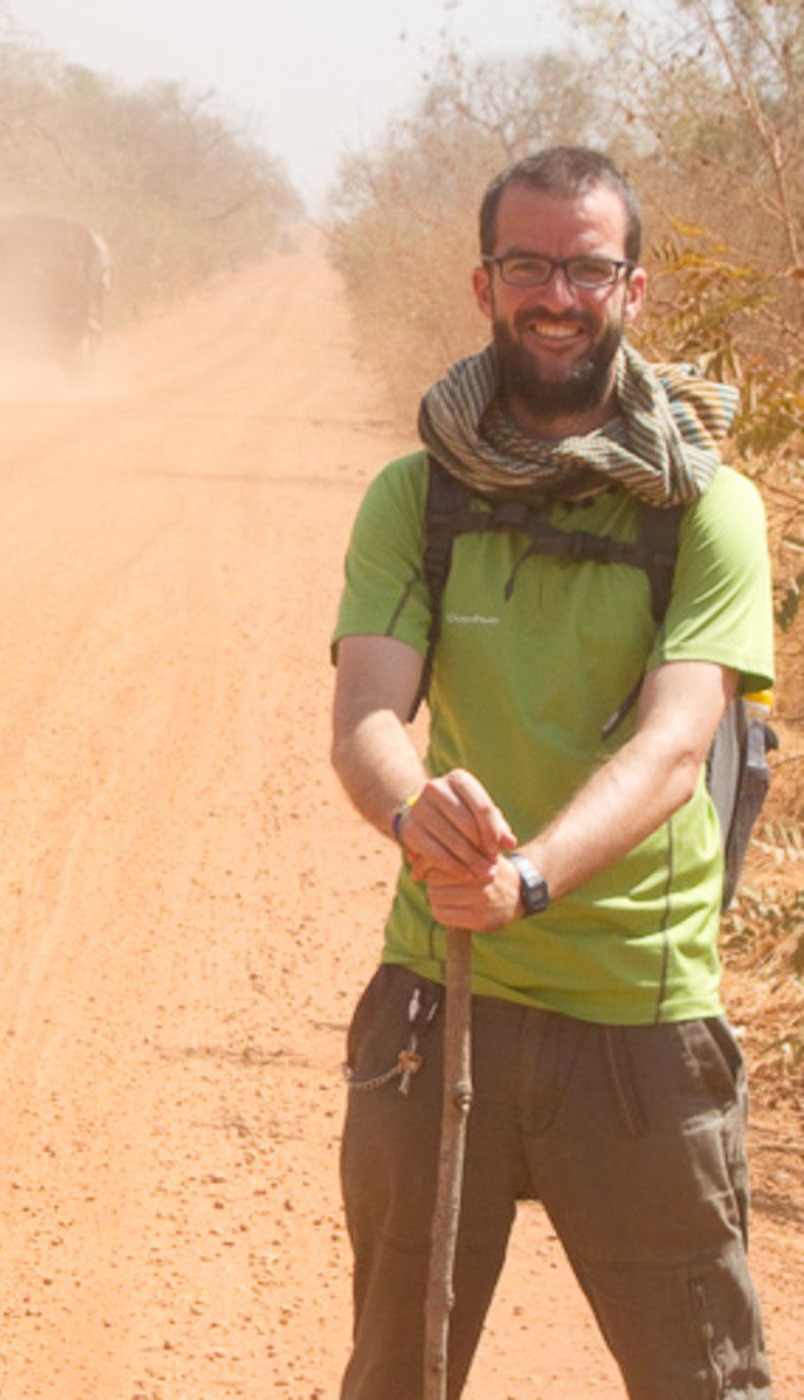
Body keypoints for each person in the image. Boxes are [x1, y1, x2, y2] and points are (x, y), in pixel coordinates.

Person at [328, 147, 773, 1398]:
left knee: (701, 1381)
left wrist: (524, 877)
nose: (557, 294)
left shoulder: (705, 507)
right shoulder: (415, 495)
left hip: (636, 1015)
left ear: (633, 288)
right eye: (528, 265)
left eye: (587, 266)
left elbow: (675, 742)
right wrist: (417, 813)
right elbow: (365, 711)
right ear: (481, 284)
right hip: (438, 997)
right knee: (394, 1375)